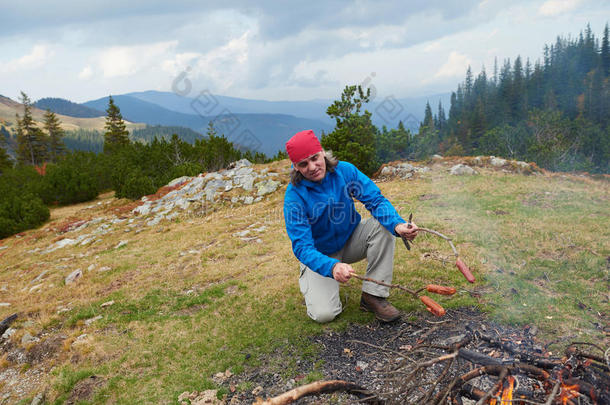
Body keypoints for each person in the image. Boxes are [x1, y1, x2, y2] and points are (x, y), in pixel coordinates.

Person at [283, 129, 418, 323]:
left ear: (322, 152)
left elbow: (375, 200)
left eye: (314, 158)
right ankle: (317, 281)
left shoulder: (344, 171)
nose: (312, 167)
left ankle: (373, 295)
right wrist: (332, 266)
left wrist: (397, 225)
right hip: (322, 254)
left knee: (383, 226)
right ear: (296, 167)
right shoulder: (294, 197)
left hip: (351, 239)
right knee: (325, 315)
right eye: (303, 164)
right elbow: (302, 247)